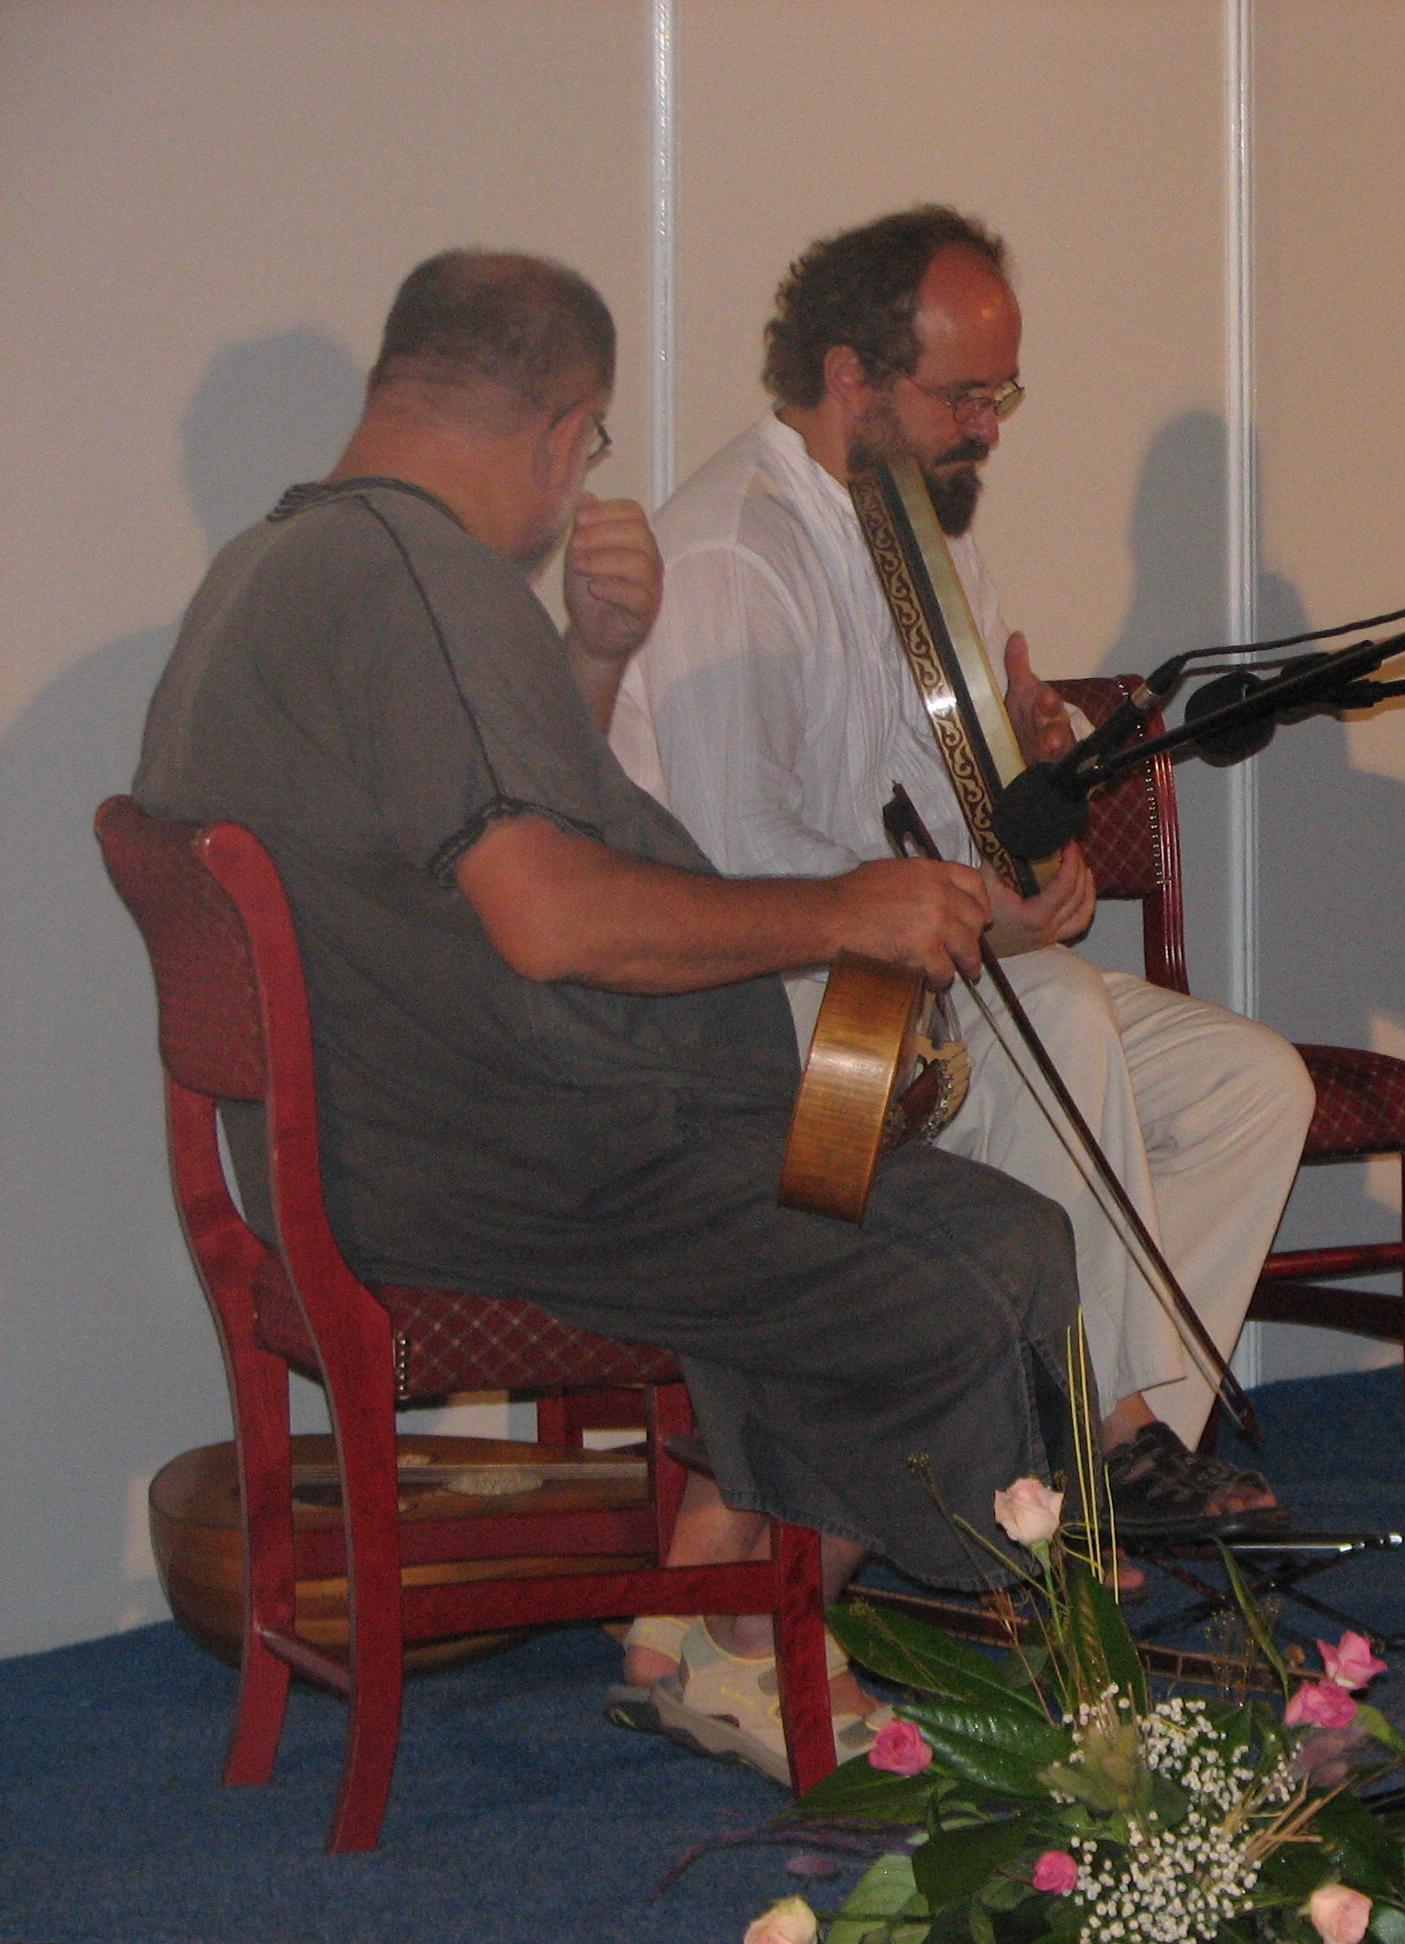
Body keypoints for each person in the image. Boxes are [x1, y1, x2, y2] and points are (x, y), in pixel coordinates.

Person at [132, 250, 1084, 1781]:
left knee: (838, 1142)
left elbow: (471, 860)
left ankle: (705, 1607)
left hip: (403, 1139)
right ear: (566, 432)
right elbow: (554, 918)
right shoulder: (425, 586)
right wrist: (845, 910)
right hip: (506, 1164)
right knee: (985, 1247)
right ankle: (742, 1635)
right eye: (587, 452)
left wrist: (590, 658)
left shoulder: (282, 566)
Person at [611, 208, 1314, 1549]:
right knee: (1062, 1014)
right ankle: (1097, 1444)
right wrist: (988, 911)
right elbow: (738, 860)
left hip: (917, 980)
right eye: (964, 396)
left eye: (1003, 395)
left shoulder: (921, 541)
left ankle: (1096, 1455)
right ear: (849, 376)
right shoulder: (734, 550)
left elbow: (962, 811)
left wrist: (1041, 774)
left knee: (1249, 1086)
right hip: (765, 1028)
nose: (988, 428)